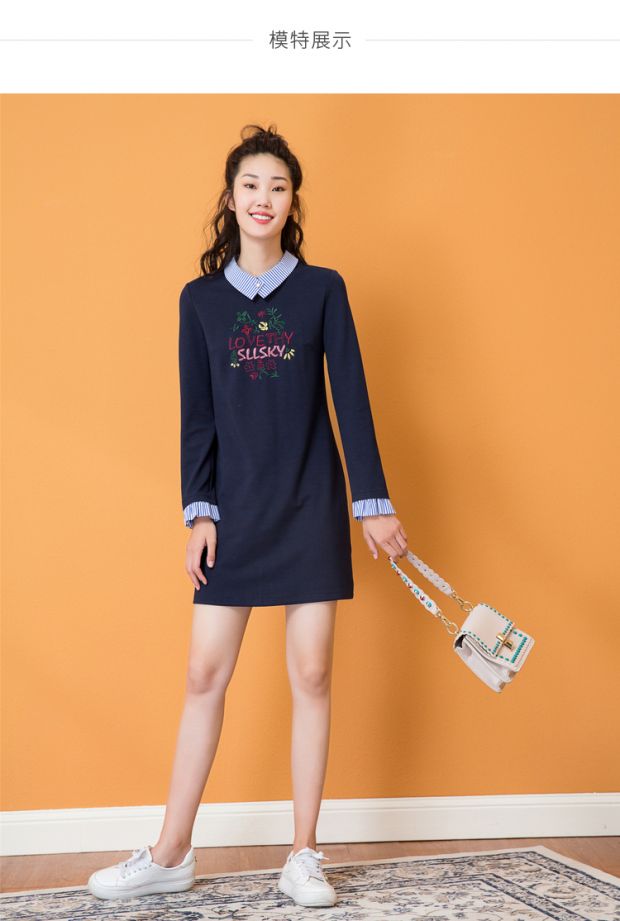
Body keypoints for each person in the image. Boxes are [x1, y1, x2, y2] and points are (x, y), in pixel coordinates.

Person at [88, 123, 408, 908]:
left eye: (278, 186)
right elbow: (196, 414)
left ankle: (303, 852)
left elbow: (352, 400)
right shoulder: (199, 301)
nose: (264, 198)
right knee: (203, 673)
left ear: (292, 201)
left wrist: (373, 504)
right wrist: (200, 512)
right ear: (230, 200)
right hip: (233, 512)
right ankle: (170, 851)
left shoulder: (322, 289)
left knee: (312, 673)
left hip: (309, 504)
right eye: (250, 185)